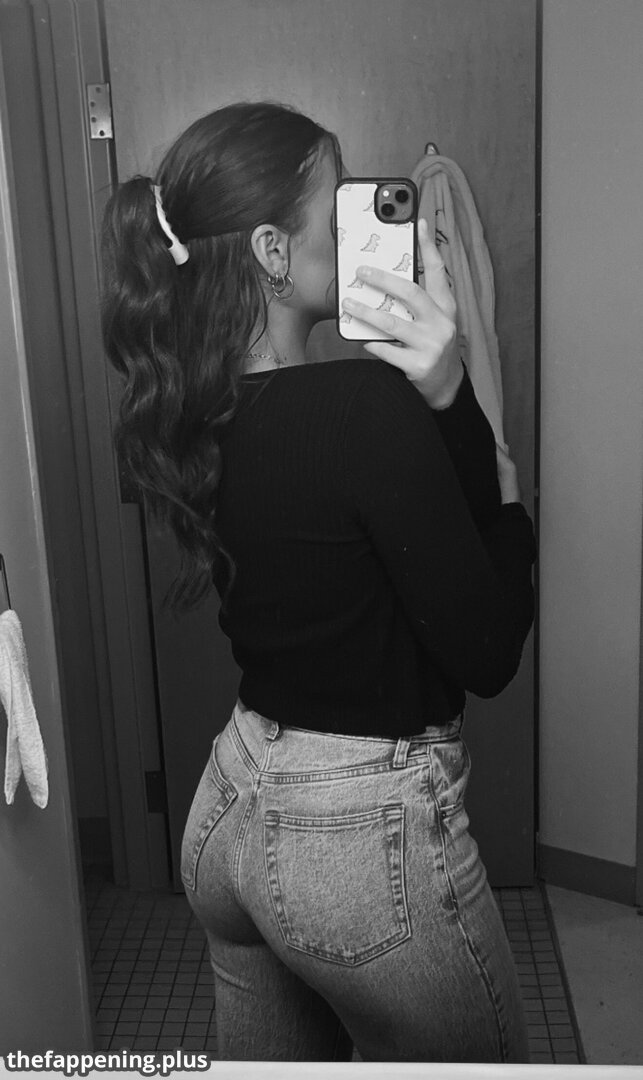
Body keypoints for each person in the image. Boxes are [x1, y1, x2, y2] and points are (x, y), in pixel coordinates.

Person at [102, 101, 537, 1063]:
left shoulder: (199, 409)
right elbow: (490, 649)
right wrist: (469, 431)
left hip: (231, 805)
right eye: (336, 205)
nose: (355, 223)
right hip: (356, 844)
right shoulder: (362, 406)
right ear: (270, 251)